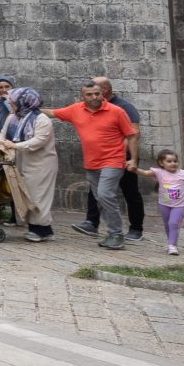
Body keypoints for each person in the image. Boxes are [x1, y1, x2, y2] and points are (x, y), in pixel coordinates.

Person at [54, 80, 139, 251]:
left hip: (114, 160)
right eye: (89, 94)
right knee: (100, 198)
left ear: (102, 93)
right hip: (92, 162)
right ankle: (111, 233)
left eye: (97, 94)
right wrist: (25, 108)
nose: (94, 97)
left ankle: (116, 234)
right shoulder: (76, 109)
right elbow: (52, 113)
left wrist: (134, 159)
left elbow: (132, 135)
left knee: (105, 194)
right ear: (82, 96)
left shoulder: (117, 111)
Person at [0, 85, 60, 240]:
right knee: (27, 194)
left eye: (13, 101)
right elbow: (3, 135)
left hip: (42, 163)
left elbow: (38, 141)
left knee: (38, 196)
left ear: (23, 102)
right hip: (22, 161)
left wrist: (15, 145)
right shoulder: (13, 117)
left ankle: (40, 231)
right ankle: (42, 229)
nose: (10, 104)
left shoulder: (42, 120)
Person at [92, 74, 148, 240]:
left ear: (105, 90)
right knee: (96, 192)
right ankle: (92, 223)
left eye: (95, 88)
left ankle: (136, 229)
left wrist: (117, 153)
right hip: (102, 158)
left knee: (130, 193)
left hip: (124, 157)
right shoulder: (95, 107)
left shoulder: (124, 107)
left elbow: (134, 133)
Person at [151, 149, 184, 256]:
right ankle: (171, 242)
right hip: (164, 204)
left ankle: (172, 246)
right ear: (161, 163)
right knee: (168, 225)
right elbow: (144, 173)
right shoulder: (159, 172)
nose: (173, 163)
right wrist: (133, 169)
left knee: (173, 223)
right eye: (169, 161)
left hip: (181, 205)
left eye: (175, 161)